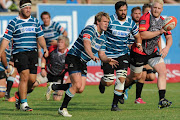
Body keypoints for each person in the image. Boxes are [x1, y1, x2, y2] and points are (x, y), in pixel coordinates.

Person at [58, 11, 118, 117]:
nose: (106, 24)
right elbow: (87, 43)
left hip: (83, 61)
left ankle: (55, 86)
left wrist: (107, 60)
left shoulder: (103, 37)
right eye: (104, 21)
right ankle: (62, 108)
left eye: (108, 22)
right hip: (74, 57)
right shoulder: (90, 29)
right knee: (76, 85)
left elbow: (101, 54)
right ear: (97, 22)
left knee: (80, 89)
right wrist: (91, 55)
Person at [0, 0, 48, 111]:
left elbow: (40, 37)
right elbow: (6, 39)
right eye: (25, 8)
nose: (28, 10)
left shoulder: (35, 22)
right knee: (24, 76)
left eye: (30, 8)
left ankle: (18, 95)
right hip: (19, 52)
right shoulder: (14, 22)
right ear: (21, 8)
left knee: (32, 81)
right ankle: (23, 104)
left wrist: (44, 47)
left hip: (33, 53)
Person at [125, 0, 172, 109]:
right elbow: (142, 35)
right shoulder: (145, 18)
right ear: (151, 7)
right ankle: (122, 89)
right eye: (154, 7)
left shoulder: (163, 21)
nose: (156, 10)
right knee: (135, 76)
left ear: (162, 9)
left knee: (162, 71)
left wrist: (167, 48)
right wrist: (159, 32)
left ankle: (162, 100)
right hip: (139, 52)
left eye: (159, 8)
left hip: (152, 52)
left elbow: (169, 37)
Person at [98, 1, 142, 111]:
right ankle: (102, 82)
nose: (123, 12)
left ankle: (114, 105)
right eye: (121, 10)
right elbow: (101, 31)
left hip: (122, 54)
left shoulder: (131, 23)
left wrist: (139, 43)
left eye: (125, 10)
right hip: (108, 54)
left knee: (121, 79)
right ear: (116, 11)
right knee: (108, 81)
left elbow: (138, 36)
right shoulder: (110, 20)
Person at [39, 11, 68, 100]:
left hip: (56, 49)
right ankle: (49, 82)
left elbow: (65, 33)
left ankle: (55, 86)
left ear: (50, 18)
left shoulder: (55, 25)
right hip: (48, 52)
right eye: (43, 18)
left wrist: (57, 42)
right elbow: (39, 39)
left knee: (57, 98)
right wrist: (40, 50)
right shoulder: (41, 28)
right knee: (48, 67)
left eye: (47, 18)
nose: (45, 20)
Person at [33, 36, 70, 101]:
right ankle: (24, 95)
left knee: (57, 99)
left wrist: (63, 85)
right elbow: (44, 57)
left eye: (62, 42)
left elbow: (70, 71)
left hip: (58, 77)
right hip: (47, 73)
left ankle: (51, 87)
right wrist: (42, 69)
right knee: (34, 83)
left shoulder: (68, 55)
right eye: (58, 42)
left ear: (66, 44)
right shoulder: (52, 49)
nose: (59, 44)